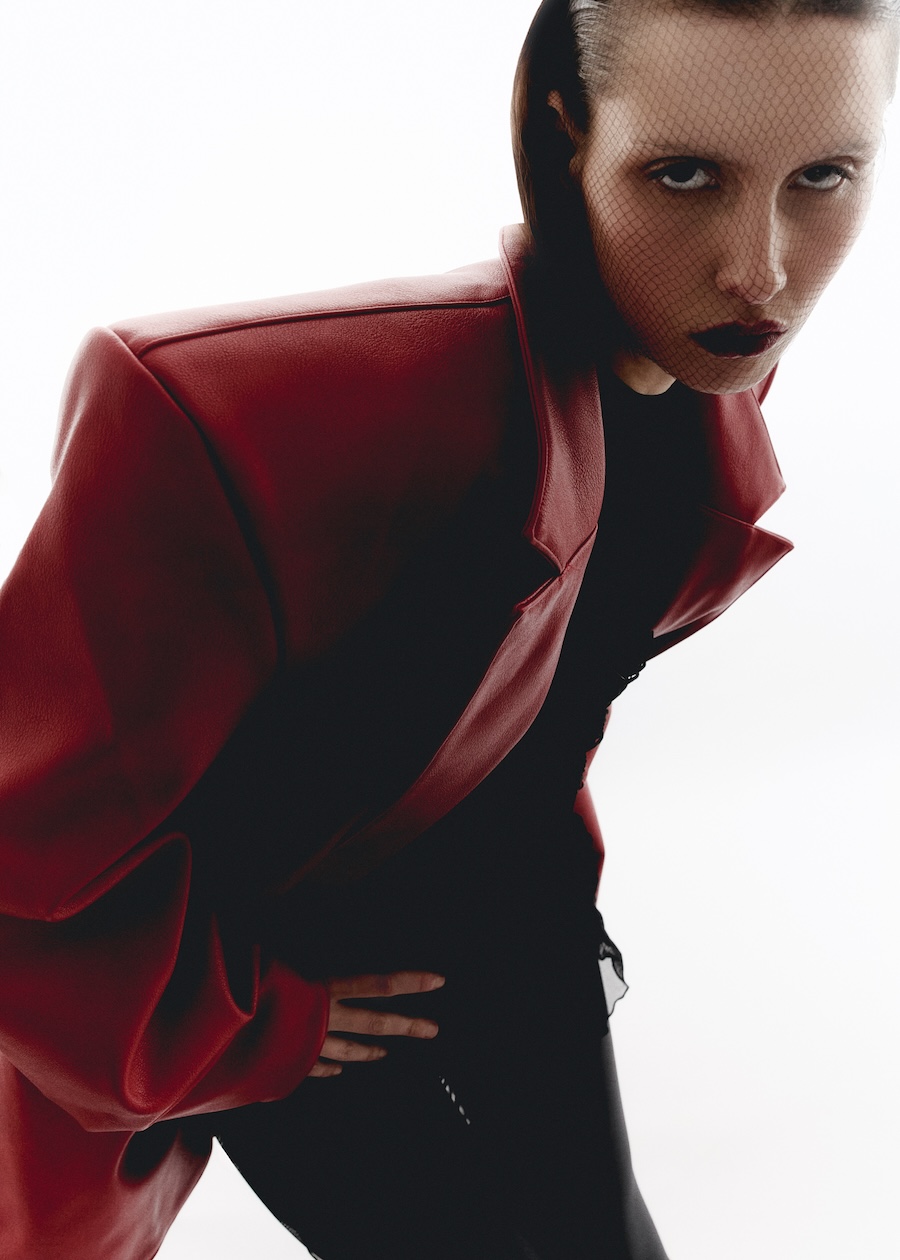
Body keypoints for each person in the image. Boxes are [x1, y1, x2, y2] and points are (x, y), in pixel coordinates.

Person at [0, 0, 896, 1257]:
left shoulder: (697, 366)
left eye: (824, 178)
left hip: (517, 931)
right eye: (684, 176)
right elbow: (27, 858)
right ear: (564, 135)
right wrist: (254, 1024)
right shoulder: (239, 410)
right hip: (305, 989)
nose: (760, 271)